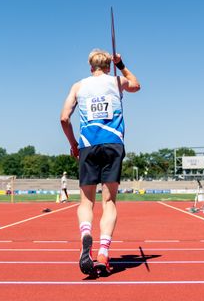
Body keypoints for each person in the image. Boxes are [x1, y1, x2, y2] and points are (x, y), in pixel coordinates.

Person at [60, 49, 140, 274]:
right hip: (113, 144)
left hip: (88, 145)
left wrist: (73, 143)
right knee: (109, 202)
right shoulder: (116, 80)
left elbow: (64, 118)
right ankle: (103, 253)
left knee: (86, 202)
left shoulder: (78, 86)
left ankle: (86, 234)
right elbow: (136, 85)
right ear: (108, 66)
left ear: (90, 66)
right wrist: (122, 64)